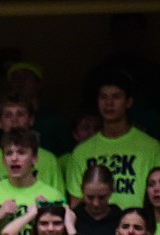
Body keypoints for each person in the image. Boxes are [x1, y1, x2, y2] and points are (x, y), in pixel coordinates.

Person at [66, 71, 160, 211]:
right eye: (103, 97)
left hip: (139, 228)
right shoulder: (81, 152)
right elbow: (75, 206)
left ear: (129, 102)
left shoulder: (152, 147)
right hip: (94, 230)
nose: (109, 103)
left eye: (116, 96)